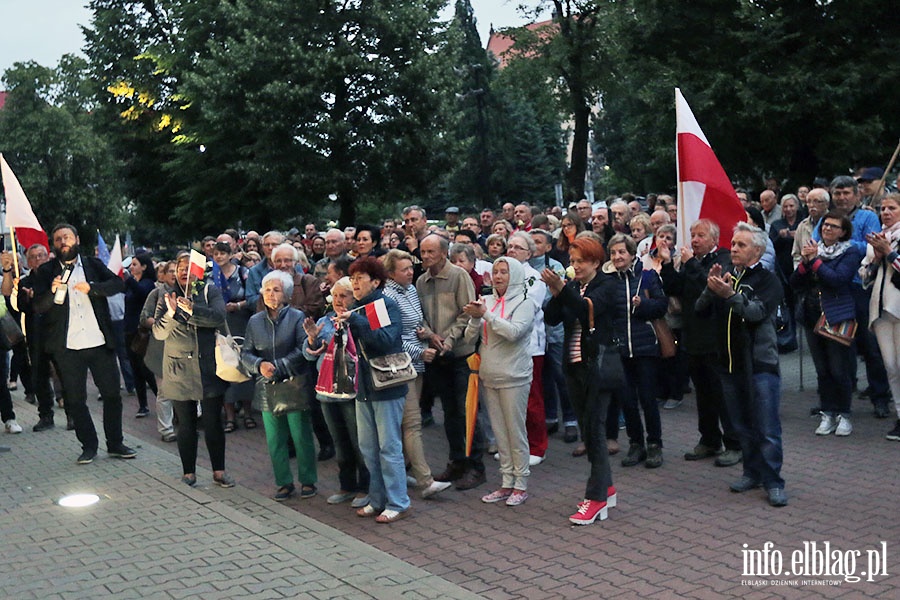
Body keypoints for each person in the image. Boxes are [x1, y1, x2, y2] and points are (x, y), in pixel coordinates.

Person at [696, 222, 787, 507]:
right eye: (733, 244)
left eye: (741, 245)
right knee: (741, 424)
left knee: (767, 428)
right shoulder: (726, 275)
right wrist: (711, 289)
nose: (733, 249)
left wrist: (728, 295)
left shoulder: (768, 280)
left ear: (757, 250)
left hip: (759, 364)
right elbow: (700, 309)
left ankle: (774, 481)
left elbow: (756, 313)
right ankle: (751, 472)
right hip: (729, 362)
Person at [30, 224, 135, 464]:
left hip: (98, 342)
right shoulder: (46, 272)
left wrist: (94, 289)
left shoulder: (93, 265)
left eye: (66, 237)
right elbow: (38, 307)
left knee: (111, 395)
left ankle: (115, 443)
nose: (62, 242)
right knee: (76, 400)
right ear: (53, 245)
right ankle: (88, 446)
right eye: (57, 239)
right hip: (68, 347)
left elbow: (118, 284)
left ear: (76, 239)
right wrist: (52, 292)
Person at [542, 237, 617, 525]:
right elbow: (551, 318)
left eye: (580, 262)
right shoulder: (573, 286)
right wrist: (557, 292)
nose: (575, 267)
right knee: (588, 430)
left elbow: (589, 313)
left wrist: (564, 291)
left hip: (597, 366)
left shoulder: (606, 286)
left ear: (595, 262)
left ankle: (596, 497)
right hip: (573, 367)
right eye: (572, 262)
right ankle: (606, 486)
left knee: (595, 432)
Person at [659, 219, 742, 467]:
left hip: (715, 338)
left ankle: (735, 443)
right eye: (692, 235)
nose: (694, 240)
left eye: (700, 236)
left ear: (714, 240)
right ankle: (709, 439)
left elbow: (709, 286)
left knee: (722, 394)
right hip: (693, 336)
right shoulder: (691, 262)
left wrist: (691, 263)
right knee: (703, 394)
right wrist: (666, 262)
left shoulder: (723, 258)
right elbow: (676, 287)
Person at [152, 251, 233, 487]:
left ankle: (219, 471)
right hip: (178, 369)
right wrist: (171, 312)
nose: (184, 271)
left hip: (208, 366)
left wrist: (191, 311)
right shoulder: (165, 294)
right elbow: (158, 332)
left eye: (189, 267)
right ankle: (189, 472)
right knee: (185, 423)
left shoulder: (209, 291)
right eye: (180, 268)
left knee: (212, 421)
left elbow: (218, 317)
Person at [339, 257, 410, 523]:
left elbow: (385, 341)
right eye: (353, 278)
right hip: (363, 385)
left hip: (386, 385)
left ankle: (398, 501)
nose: (355, 283)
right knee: (368, 447)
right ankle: (377, 498)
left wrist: (356, 323)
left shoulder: (382, 305)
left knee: (389, 447)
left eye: (360, 278)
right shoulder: (355, 308)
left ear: (376, 281)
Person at [463, 257, 535, 506]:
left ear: (514, 274)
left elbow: (513, 333)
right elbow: (471, 337)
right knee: (500, 433)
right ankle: (506, 482)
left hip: (514, 376)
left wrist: (486, 315)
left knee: (515, 432)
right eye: (496, 271)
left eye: (505, 271)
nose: (500, 276)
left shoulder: (526, 302)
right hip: (489, 375)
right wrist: (474, 317)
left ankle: (521, 483)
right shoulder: (488, 301)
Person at [382, 250, 452, 499]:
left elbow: (416, 323)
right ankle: (425, 480)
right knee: (412, 423)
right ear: (391, 273)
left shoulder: (410, 289)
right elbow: (393, 337)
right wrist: (418, 351)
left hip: (418, 362)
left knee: (407, 423)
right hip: (402, 363)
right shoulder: (387, 296)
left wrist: (427, 334)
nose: (411, 272)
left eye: (411, 268)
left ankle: (400, 473)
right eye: (404, 269)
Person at [417, 234, 485, 490]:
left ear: (444, 253)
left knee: (466, 411)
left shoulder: (458, 276)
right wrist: (430, 337)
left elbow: (466, 313)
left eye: (430, 252)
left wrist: (447, 339)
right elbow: (419, 316)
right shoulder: (422, 281)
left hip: (460, 354)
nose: (425, 257)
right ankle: (456, 462)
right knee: (449, 412)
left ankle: (476, 466)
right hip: (437, 355)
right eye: (422, 252)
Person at [242, 270, 317, 500]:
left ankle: (308, 480)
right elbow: (245, 352)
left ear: (286, 294)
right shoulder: (254, 321)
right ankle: (283, 482)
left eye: (276, 290)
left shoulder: (296, 317)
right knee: (275, 440)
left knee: (301, 436)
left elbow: (302, 349)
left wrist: (279, 365)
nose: (271, 294)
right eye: (267, 289)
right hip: (266, 385)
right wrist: (259, 365)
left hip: (294, 384)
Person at [792, 212, 861, 436]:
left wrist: (814, 261)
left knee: (838, 368)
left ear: (843, 231)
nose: (827, 229)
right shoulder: (814, 249)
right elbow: (795, 282)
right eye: (825, 225)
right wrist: (804, 262)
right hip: (812, 314)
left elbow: (837, 279)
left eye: (833, 226)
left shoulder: (849, 251)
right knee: (822, 369)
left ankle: (844, 414)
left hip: (837, 315)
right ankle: (827, 412)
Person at [304, 277, 369, 507]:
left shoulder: (359, 320)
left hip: (352, 390)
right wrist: (312, 339)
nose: (339, 301)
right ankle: (347, 486)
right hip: (327, 391)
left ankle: (366, 487)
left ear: (354, 298)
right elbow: (308, 353)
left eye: (345, 296)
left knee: (358, 440)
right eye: (336, 296)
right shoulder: (325, 320)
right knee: (339, 441)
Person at [604, 234, 667, 469]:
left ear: (632, 254)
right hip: (620, 349)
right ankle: (635, 444)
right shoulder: (608, 281)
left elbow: (662, 305)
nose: (618, 256)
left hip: (645, 347)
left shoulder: (648, 277)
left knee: (648, 399)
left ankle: (654, 444)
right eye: (613, 253)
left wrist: (644, 305)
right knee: (627, 400)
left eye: (622, 252)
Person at [2, 244, 58, 432]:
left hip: (58, 333)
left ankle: (73, 415)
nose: (37, 260)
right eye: (33, 257)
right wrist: (29, 299)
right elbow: (19, 306)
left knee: (64, 373)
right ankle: (46, 415)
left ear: (47, 257)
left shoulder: (57, 278)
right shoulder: (26, 282)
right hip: (36, 335)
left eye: (41, 255)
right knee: (39, 376)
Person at [506, 232, 548, 466]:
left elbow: (527, 307)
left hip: (530, 346)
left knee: (532, 399)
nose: (511, 250)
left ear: (529, 253)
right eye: (509, 246)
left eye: (517, 247)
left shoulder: (534, 277)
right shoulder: (501, 274)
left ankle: (538, 446)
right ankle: (516, 445)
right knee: (511, 400)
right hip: (505, 345)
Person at [860, 194, 900, 441]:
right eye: (882, 208)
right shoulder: (876, 240)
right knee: (891, 367)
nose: (885, 212)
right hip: (881, 310)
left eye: (892, 208)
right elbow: (864, 277)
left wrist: (890, 254)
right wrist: (875, 259)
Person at [209, 241, 253, 432]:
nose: (219, 257)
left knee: (244, 367)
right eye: (216, 254)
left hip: (242, 322)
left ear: (230, 254)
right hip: (221, 325)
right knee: (225, 366)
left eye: (223, 253)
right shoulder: (210, 276)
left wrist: (239, 305)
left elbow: (253, 297)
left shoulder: (243, 273)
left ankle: (248, 413)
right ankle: (229, 416)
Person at [140, 260, 176, 442]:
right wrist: (160, 324)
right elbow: (144, 318)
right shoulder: (156, 294)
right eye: (171, 271)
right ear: (163, 274)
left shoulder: (190, 293)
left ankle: (187, 423)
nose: (175, 274)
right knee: (164, 391)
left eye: (179, 270)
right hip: (161, 348)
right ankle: (166, 429)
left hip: (185, 349)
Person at [123, 253, 158, 418]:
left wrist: (128, 278)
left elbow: (142, 293)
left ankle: (161, 399)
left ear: (144, 266)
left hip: (142, 332)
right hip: (129, 330)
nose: (131, 267)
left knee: (146, 368)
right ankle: (143, 405)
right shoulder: (132, 284)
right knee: (136, 368)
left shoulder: (147, 283)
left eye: (135, 264)